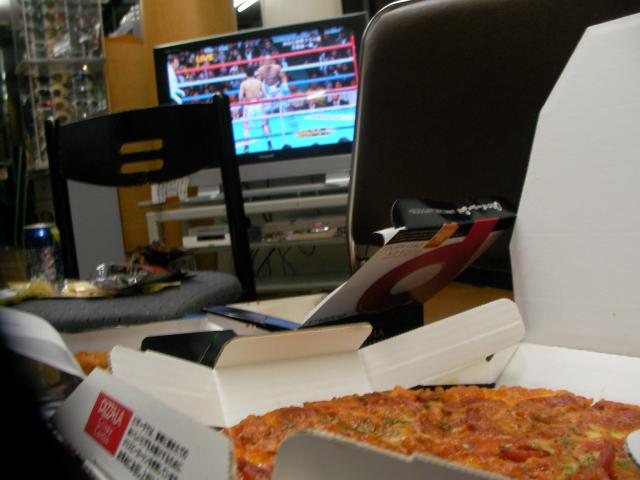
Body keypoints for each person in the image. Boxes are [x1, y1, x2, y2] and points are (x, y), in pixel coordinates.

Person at [239, 67, 272, 153]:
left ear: (246, 74)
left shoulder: (243, 84)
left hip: (248, 105)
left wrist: (246, 96)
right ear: (254, 73)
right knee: (264, 125)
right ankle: (270, 145)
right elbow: (265, 95)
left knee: (246, 127)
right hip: (258, 104)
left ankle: (246, 148)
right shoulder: (258, 82)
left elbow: (240, 97)